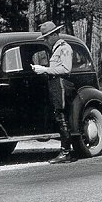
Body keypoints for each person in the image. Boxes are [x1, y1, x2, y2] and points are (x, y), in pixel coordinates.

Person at [31, 21, 75, 164]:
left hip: (61, 83)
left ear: (55, 35)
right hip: (55, 83)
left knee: (62, 116)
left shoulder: (64, 48)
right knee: (58, 116)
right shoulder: (55, 49)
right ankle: (65, 150)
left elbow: (66, 69)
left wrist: (45, 70)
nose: (46, 40)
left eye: (47, 37)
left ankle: (66, 152)